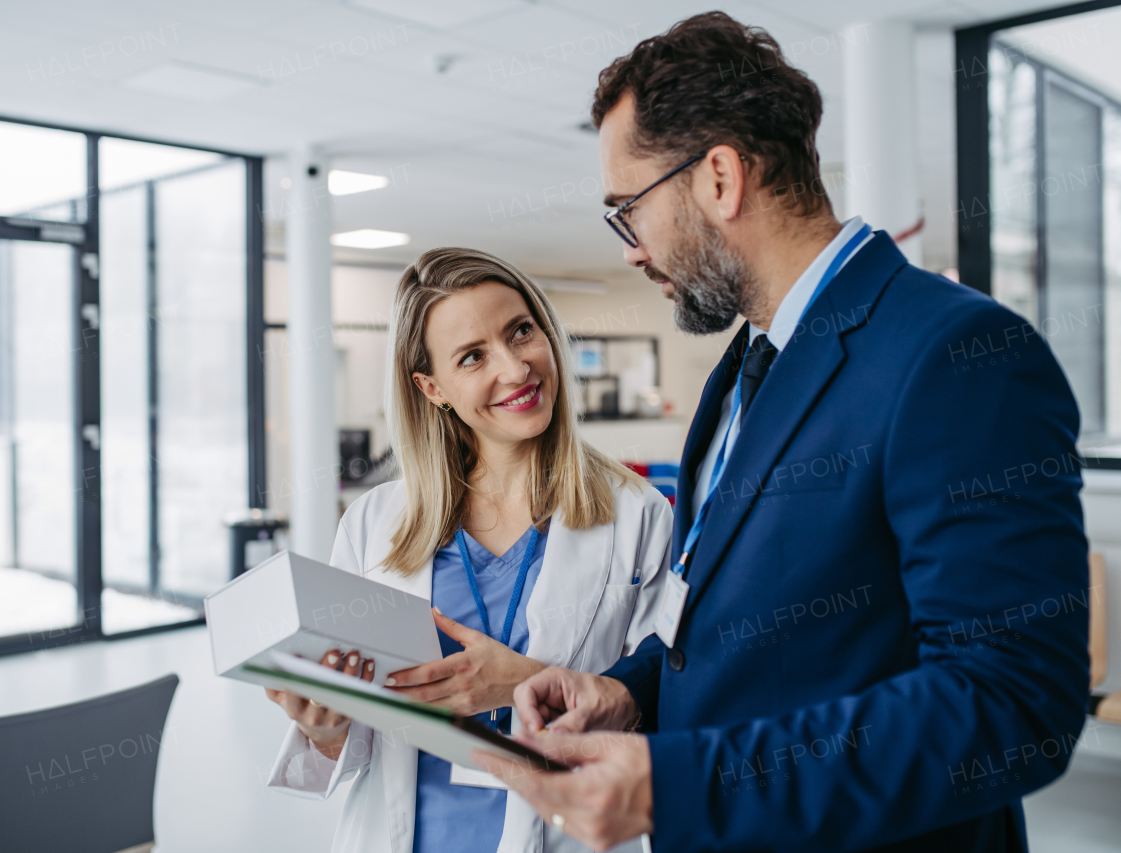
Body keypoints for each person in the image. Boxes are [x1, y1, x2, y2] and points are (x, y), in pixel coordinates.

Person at [476, 12, 1090, 853]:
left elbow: (1012, 699)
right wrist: (628, 692)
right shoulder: (745, 370)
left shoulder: (957, 356)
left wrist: (678, 783)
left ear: (720, 177)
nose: (629, 249)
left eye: (629, 211)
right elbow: (737, 623)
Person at [263, 247, 674, 853]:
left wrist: (525, 683)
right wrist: (321, 724)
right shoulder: (375, 524)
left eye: (521, 332)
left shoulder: (638, 514)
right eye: (473, 356)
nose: (515, 369)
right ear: (432, 387)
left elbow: (667, 703)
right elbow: (356, 742)